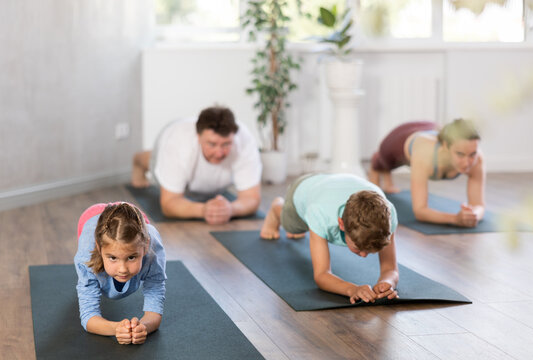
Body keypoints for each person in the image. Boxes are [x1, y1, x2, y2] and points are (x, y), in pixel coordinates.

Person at [260, 173, 399, 304]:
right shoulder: (321, 214)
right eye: (358, 248)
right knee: (293, 228)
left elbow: (390, 269)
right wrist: (353, 289)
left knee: (310, 229)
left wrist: (387, 283)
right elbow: (321, 275)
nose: (363, 255)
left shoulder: (386, 217)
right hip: (304, 188)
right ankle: (276, 207)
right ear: (341, 224)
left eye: (370, 250)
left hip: (333, 184)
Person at [132, 106, 262, 225]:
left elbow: (251, 199)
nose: (219, 153)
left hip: (203, 178)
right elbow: (168, 204)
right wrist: (204, 210)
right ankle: (137, 159)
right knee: (154, 165)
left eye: (226, 144)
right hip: (172, 136)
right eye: (212, 144)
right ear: (198, 137)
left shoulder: (244, 141)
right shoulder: (178, 143)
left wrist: (231, 209)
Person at [74, 202, 166, 345]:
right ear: (99, 248)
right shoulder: (86, 254)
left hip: (130, 212)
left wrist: (142, 328)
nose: (122, 269)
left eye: (131, 257)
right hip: (91, 216)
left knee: (129, 230)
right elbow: (88, 316)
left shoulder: (153, 247)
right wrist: (117, 328)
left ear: (146, 246)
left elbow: (155, 302)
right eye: (113, 258)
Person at [368, 119, 485, 228]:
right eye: (460, 154)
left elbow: (479, 205)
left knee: (387, 183)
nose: (467, 162)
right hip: (400, 138)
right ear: (445, 146)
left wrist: (474, 214)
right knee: (382, 163)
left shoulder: (477, 158)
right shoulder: (425, 154)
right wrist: (455, 219)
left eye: (472, 154)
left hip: (431, 129)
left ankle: (388, 181)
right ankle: (377, 163)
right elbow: (420, 211)